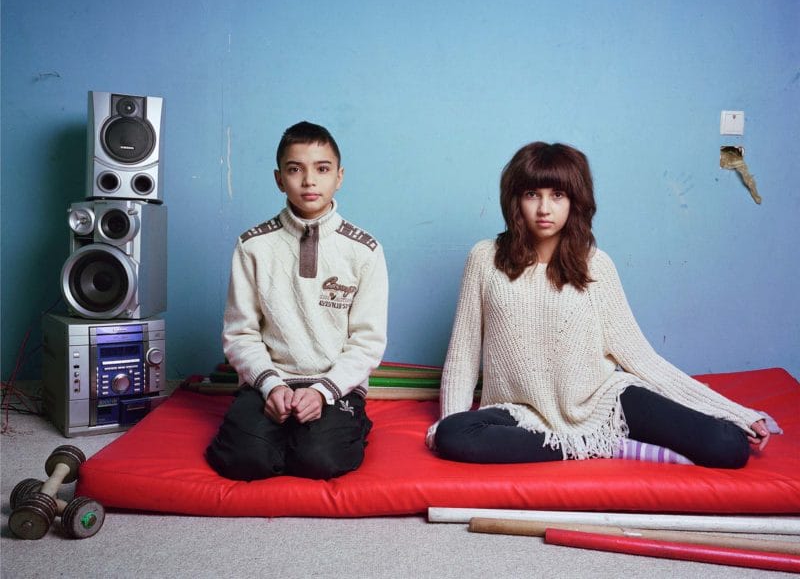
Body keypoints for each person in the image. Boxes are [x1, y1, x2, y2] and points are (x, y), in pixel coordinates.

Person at [429, 141, 773, 468]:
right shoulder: (485, 259)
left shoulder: (596, 265)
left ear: (574, 201)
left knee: (729, 447)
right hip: (519, 413)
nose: (544, 208)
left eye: (557, 195)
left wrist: (735, 412)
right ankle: (598, 446)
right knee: (453, 435)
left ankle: (593, 438)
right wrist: (450, 420)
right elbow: (463, 354)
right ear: (515, 200)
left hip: (604, 404)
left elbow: (640, 358)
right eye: (532, 194)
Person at [206, 121, 389, 481]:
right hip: (268, 383)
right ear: (279, 179)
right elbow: (240, 333)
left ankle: (335, 428)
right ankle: (271, 429)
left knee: (318, 460)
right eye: (295, 170)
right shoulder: (252, 246)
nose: (309, 181)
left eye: (322, 169)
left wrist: (323, 392)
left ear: (339, 176)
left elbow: (367, 343)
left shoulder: (364, 250)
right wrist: (272, 385)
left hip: (335, 387)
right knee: (243, 460)